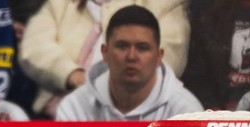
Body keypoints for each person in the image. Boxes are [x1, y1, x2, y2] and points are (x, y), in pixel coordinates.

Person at [17, 0, 188, 118]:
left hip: (134, 120)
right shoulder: (60, 4)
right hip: (54, 118)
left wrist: (105, 88)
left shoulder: (163, 4)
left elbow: (167, 61)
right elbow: (33, 46)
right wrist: (74, 76)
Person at [55, 5, 201, 121]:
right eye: (122, 46)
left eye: (142, 48)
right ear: (105, 52)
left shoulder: (186, 111)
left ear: (159, 56)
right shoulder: (75, 106)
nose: (131, 56)